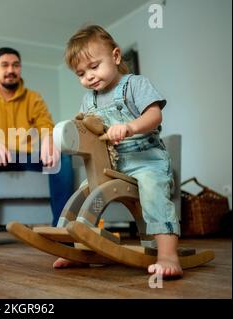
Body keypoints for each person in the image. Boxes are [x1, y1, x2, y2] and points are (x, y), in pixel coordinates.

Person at [54, 25, 182, 278]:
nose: (88, 77)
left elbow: (155, 114)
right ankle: (73, 244)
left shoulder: (134, 84)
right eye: (81, 73)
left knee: (153, 189)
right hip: (112, 163)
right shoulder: (88, 101)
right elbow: (85, 129)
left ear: (115, 56)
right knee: (83, 191)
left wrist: (130, 127)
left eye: (94, 66)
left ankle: (168, 255)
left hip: (147, 160)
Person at [0, 47, 74, 250]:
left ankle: (62, 231)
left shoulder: (34, 98)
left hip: (26, 156)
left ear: (20, 68)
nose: (10, 70)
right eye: (4, 65)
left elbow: (46, 124)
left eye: (15, 65)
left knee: (62, 157)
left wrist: (49, 139)